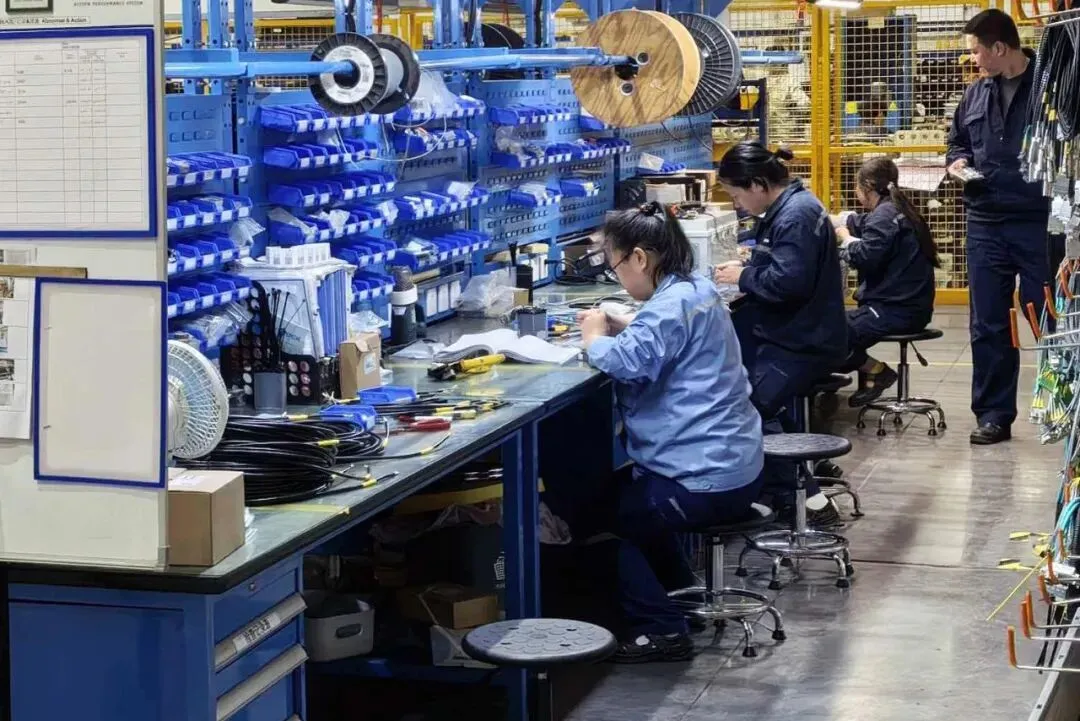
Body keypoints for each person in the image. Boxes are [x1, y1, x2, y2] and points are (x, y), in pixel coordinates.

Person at [578, 202, 764, 663]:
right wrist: (628, 324)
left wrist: (594, 335)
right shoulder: (696, 288)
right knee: (633, 501)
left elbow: (625, 361)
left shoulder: (670, 305)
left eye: (616, 266)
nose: (618, 276)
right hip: (735, 464)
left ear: (640, 258)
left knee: (598, 516)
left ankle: (661, 630)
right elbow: (666, 334)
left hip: (704, 478)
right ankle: (685, 600)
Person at [713, 142, 847, 527]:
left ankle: (809, 501)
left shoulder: (795, 215)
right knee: (761, 400)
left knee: (745, 407)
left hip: (803, 341)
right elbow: (787, 262)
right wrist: (752, 261)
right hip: (800, 332)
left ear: (757, 184)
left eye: (737, 194)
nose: (738, 204)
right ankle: (803, 471)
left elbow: (789, 283)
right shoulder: (793, 206)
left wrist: (744, 276)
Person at [947, 8, 1050, 445]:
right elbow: (957, 141)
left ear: (1000, 48)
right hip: (985, 221)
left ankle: (1065, 408)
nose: (973, 60)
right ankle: (993, 415)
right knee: (988, 321)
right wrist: (957, 162)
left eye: (976, 51)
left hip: (1038, 220)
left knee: (1049, 314)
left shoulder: (1051, 87)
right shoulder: (975, 94)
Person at [834, 157, 940, 406]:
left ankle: (877, 371)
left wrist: (845, 239)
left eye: (856, 185)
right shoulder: (896, 209)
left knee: (827, 332)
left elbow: (865, 256)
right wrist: (833, 219)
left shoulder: (884, 215)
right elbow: (861, 223)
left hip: (894, 310)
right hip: (909, 308)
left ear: (867, 187)